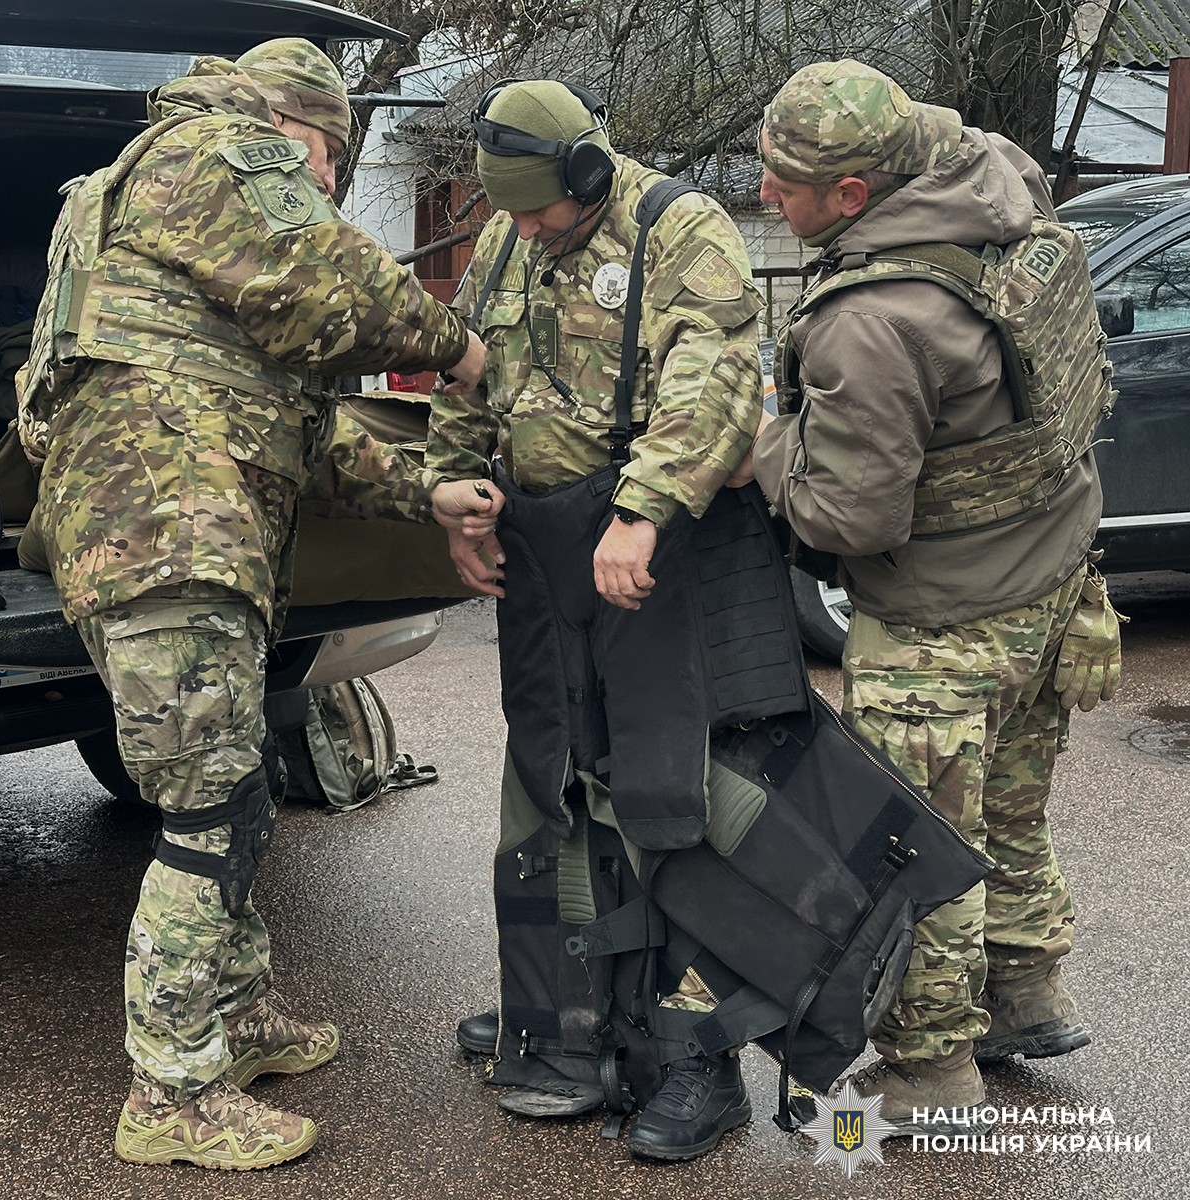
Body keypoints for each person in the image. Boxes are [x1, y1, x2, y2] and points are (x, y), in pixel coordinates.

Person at [17, 39, 485, 1170]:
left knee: (238, 794)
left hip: (176, 519)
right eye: (327, 160)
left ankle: (235, 1016)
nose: (324, 185)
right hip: (167, 532)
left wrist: (431, 492)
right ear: (298, 128)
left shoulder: (150, 206)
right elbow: (330, 277)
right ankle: (170, 1092)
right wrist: (463, 350)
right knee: (207, 811)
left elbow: (305, 440)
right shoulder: (218, 146)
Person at [739, 58, 1122, 1135]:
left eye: (783, 182)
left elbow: (845, 520)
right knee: (1010, 802)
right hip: (1055, 575)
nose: (765, 195)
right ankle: (1031, 997)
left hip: (942, 619)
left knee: (916, 849)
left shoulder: (872, 317)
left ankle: (930, 1073)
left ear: (855, 196)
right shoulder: (997, 182)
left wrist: (760, 453)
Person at [425, 79, 783, 1161]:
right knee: (544, 788)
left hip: (646, 556)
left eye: (542, 211)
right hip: (539, 556)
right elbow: (466, 374)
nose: (527, 232)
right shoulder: (504, 244)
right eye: (511, 214)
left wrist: (642, 510)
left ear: (584, 173)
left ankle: (694, 1059)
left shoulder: (680, 229)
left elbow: (716, 381)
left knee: (661, 803)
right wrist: (449, 489)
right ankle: (560, 1018)